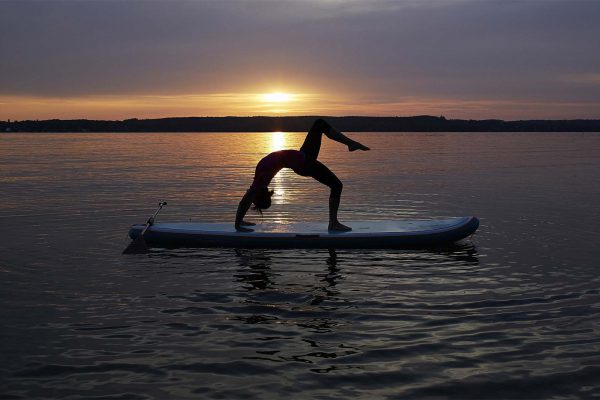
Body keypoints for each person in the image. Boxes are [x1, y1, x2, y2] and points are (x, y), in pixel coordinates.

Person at [235, 118, 369, 232]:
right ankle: (333, 223)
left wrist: (239, 222)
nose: (269, 191)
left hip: (303, 157)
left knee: (319, 124)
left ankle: (351, 144)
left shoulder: (260, 181)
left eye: (268, 196)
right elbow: (247, 199)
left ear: (262, 196)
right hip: (305, 163)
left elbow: (247, 198)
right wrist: (239, 222)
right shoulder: (261, 181)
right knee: (336, 185)